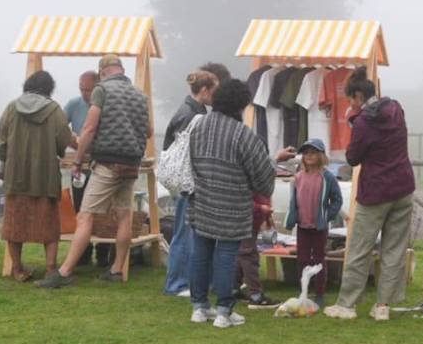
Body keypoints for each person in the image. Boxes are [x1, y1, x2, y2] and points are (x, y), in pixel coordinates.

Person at [39, 56, 150, 288]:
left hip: (107, 163)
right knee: (124, 216)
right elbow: (149, 131)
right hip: (131, 164)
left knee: (85, 215)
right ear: (121, 70)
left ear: (102, 73)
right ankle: (117, 270)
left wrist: (79, 160)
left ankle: (65, 271)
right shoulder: (139, 95)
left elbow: (89, 127)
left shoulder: (102, 90)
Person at [183, 79, 276, 328]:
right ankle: (224, 311)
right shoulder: (243, 135)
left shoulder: (198, 126)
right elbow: (263, 178)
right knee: (225, 257)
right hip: (232, 207)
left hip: (201, 202)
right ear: (242, 105)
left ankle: (199, 307)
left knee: (200, 255)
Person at [325, 68, 415, 322]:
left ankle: (347, 304)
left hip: (376, 191)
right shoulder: (396, 109)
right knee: (394, 249)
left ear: (357, 96)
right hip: (403, 187)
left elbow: (353, 157)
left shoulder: (363, 122)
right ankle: (383, 305)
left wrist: (354, 120)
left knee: (360, 247)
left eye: (350, 100)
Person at [0, 70, 76, 282]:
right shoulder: (54, 110)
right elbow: (63, 141)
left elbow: (2, 142)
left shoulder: (11, 108)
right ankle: (51, 269)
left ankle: (17, 269)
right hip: (45, 175)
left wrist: (1, 169)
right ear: (48, 88)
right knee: (49, 222)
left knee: (15, 222)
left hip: (16, 175)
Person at [161, 70, 219, 297]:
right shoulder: (190, 115)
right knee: (184, 233)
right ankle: (176, 283)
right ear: (204, 91)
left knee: (189, 232)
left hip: (187, 181)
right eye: (214, 91)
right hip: (187, 181)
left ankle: (188, 280)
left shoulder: (192, 111)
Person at [284, 138, 343, 306]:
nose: (309, 156)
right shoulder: (298, 177)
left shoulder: (328, 178)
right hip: (302, 226)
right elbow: (294, 201)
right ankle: (304, 290)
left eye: (313, 153)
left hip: (319, 226)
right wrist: (292, 218)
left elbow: (337, 201)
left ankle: (319, 293)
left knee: (318, 259)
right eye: (306, 153)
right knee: (302, 259)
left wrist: (327, 216)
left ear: (321, 156)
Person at [65, 70, 111, 267]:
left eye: (89, 90)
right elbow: (59, 124)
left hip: (102, 163)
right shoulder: (74, 104)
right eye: (82, 89)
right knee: (80, 208)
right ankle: (82, 255)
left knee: (103, 211)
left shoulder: (107, 104)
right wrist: (74, 140)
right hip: (81, 166)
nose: (85, 93)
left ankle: (103, 253)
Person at [235, 193, 276, 306]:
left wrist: (266, 216)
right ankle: (256, 295)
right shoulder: (251, 177)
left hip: (250, 219)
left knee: (240, 255)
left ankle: (233, 290)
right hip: (246, 220)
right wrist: (260, 208)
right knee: (249, 256)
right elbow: (241, 197)